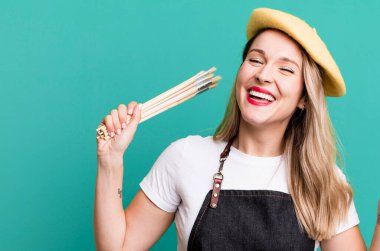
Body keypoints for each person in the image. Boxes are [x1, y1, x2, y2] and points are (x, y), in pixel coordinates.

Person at [94, 7, 375, 251]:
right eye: (255, 59)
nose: (263, 75)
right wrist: (110, 161)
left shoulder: (322, 180)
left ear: (304, 97)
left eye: (286, 70)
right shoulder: (185, 157)